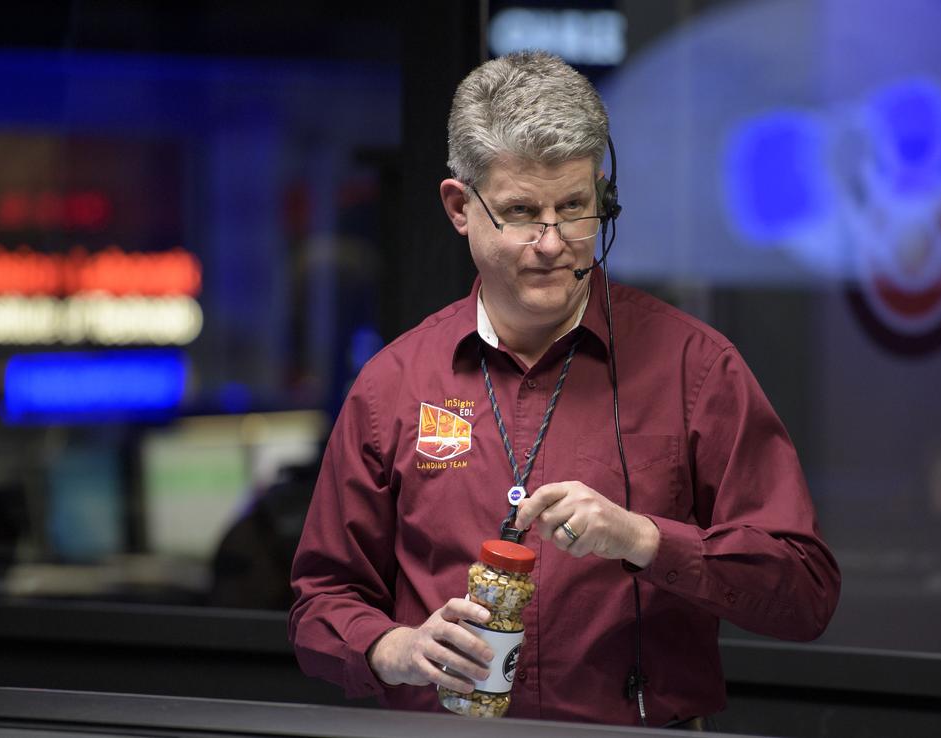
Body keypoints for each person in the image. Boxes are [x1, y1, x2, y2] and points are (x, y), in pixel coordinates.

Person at [288, 50, 840, 727]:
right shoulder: (393, 384)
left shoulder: (695, 368)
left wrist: (644, 539)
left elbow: (805, 592)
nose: (552, 243)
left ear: (602, 197)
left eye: (574, 207)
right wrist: (392, 648)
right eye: (521, 212)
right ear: (460, 207)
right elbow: (321, 601)